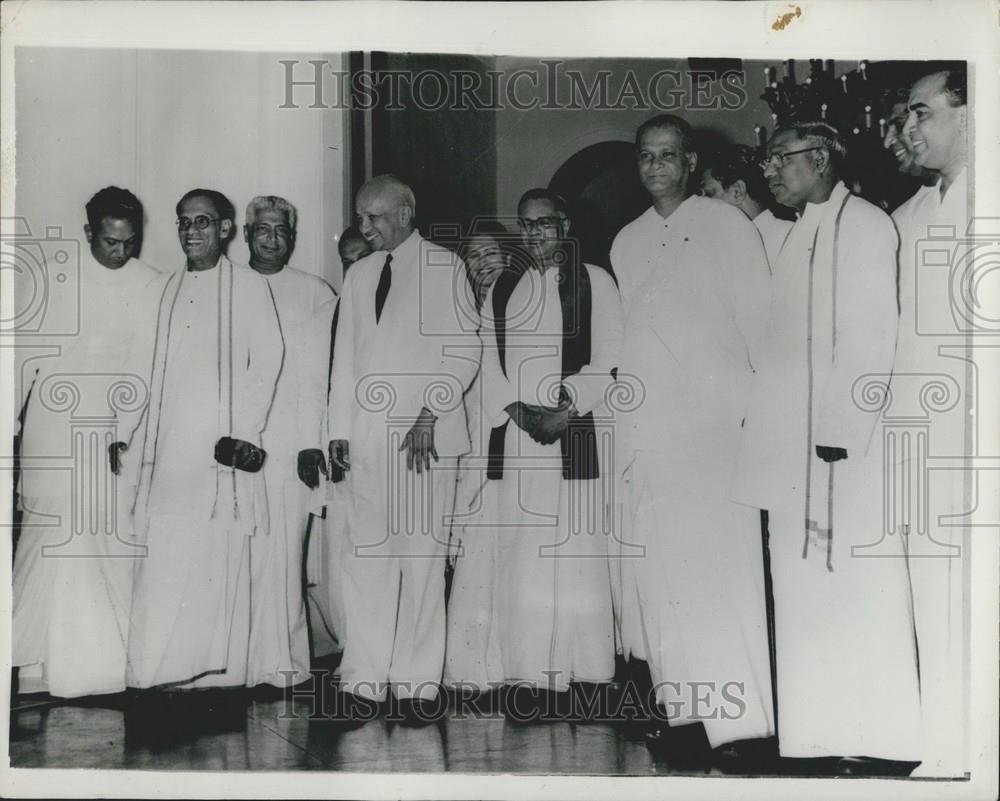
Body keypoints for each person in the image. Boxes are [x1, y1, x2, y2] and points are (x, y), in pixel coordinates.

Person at [732, 123, 922, 773]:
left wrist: (838, 432)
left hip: (841, 451)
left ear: (821, 158)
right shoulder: (795, 232)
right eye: (766, 161)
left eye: (779, 159)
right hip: (793, 450)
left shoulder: (864, 223)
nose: (770, 172)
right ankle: (819, 737)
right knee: (803, 590)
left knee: (856, 588)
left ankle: (879, 739)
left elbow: (872, 334)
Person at [612, 115, 775, 763]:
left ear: (689, 161)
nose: (656, 166)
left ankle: (738, 726)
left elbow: (760, 323)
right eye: (645, 156)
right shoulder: (626, 240)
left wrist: (753, 419)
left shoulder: (724, 224)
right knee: (662, 577)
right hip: (651, 434)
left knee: (719, 574)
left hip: (715, 428)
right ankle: (682, 713)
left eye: (668, 155)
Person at [327, 175, 478, 722]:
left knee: (420, 560)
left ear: (406, 212)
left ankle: (418, 687)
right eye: (361, 217)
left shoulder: (445, 266)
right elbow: (346, 357)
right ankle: (363, 681)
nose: (363, 227)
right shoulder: (361, 274)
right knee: (366, 559)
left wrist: (429, 413)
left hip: (423, 440)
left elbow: (464, 350)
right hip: (369, 439)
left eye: (374, 217)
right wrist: (338, 431)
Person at [126, 189, 283, 691]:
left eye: (202, 221)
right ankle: (160, 683)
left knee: (217, 568)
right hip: (169, 456)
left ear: (225, 229)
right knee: (165, 569)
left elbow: (269, 360)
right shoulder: (161, 290)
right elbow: (139, 369)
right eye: (183, 222)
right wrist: (120, 430)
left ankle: (218, 689)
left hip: (220, 455)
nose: (191, 231)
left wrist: (245, 433)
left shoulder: (249, 288)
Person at [12, 187, 166, 698]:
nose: (120, 253)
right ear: (88, 234)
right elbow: (21, 363)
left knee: (104, 544)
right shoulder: (53, 279)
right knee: (54, 542)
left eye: (129, 243)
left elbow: (147, 369)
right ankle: (36, 669)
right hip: (53, 431)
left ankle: (97, 671)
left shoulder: (153, 286)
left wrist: (124, 432)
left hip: (113, 437)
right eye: (109, 242)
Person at [473, 191, 621, 717]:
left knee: (577, 549)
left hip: (574, 431)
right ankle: (528, 674)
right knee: (523, 550)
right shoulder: (503, 289)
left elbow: (610, 359)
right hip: (519, 438)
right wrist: (520, 411)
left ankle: (587, 674)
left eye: (546, 224)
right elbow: (488, 362)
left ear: (566, 224)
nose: (535, 234)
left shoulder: (594, 281)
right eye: (527, 225)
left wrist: (565, 410)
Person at [891, 64, 970, 777]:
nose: (908, 130)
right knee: (930, 586)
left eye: (923, 113)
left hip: (978, 435)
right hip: (917, 434)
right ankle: (944, 740)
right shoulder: (909, 215)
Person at [243, 195, 335, 688]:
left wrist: (311, 443)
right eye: (263, 230)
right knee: (237, 555)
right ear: (246, 235)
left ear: (292, 238)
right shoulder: (226, 287)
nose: (272, 239)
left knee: (282, 558)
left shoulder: (315, 292)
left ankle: (283, 667)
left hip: (292, 445)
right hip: (233, 444)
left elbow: (322, 377)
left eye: (281, 231)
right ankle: (233, 665)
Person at [444, 218, 516, 694]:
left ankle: (508, 663)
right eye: (473, 255)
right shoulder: (458, 310)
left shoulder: (518, 305)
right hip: (468, 443)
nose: (483, 263)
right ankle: (473, 667)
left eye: (492, 253)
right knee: (471, 550)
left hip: (506, 439)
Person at [304, 225, 372, 662]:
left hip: (378, 449)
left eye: (362, 256)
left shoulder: (391, 309)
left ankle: (370, 650)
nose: (354, 266)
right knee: (334, 556)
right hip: (337, 453)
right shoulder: (324, 314)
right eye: (347, 259)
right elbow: (310, 387)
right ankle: (346, 647)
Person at [700, 144, 794, 270]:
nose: (702, 205)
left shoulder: (789, 239)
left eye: (709, 194)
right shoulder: (734, 243)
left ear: (737, 192)